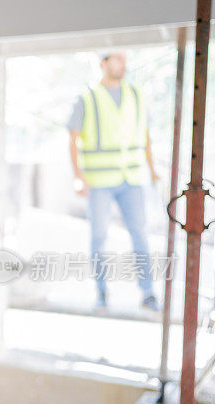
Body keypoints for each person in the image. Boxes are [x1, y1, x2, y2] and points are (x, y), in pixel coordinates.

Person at [68, 51, 162, 311]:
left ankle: (148, 294)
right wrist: (78, 178)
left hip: (132, 179)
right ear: (103, 63)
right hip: (99, 181)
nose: (123, 65)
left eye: (124, 59)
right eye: (117, 60)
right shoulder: (87, 98)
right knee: (99, 237)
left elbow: (145, 136)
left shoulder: (136, 95)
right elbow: (73, 140)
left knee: (140, 235)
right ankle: (101, 293)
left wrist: (153, 170)